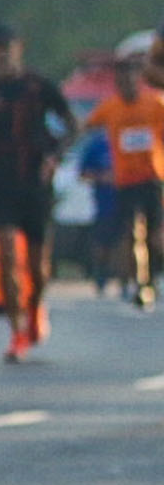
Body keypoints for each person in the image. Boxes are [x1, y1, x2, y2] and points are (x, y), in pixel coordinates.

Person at [0, 22, 76, 362]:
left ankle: (36, 306)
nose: (2, 55)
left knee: (38, 265)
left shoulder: (38, 87)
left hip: (35, 180)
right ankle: (16, 331)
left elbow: (72, 123)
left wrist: (56, 155)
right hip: (0, 181)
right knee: (8, 257)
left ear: (19, 48)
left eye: (7, 47)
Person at [77, 52, 164, 308]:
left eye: (130, 78)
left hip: (153, 178)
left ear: (138, 79)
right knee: (132, 232)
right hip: (126, 181)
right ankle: (139, 282)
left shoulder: (155, 104)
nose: (126, 83)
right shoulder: (110, 107)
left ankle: (153, 276)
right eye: (121, 79)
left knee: (157, 234)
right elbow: (86, 126)